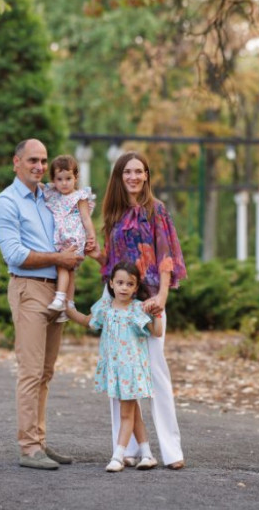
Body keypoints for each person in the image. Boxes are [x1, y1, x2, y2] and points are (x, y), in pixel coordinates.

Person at [87, 150, 188, 470]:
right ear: (119, 176)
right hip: (117, 303)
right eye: (127, 172)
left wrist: (162, 297)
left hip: (148, 300)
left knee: (156, 372)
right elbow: (112, 264)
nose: (133, 177)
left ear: (146, 176)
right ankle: (126, 448)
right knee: (119, 374)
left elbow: (166, 257)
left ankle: (171, 450)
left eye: (138, 171)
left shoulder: (156, 210)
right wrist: (96, 256)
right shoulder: (113, 214)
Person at [0, 139, 82, 470]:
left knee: (46, 371)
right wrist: (59, 258)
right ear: (16, 162)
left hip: (58, 289)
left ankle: (39, 441)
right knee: (30, 371)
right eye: (32, 160)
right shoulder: (6, 202)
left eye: (43, 160)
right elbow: (14, 254)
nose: (40, 166)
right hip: (29, 289)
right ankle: (28, 448)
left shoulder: (51, 196)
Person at [64, 261, 162, 472]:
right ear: (111, 283)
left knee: (126, 414)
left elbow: (157, 332)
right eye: (120, 283)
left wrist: (158, 313)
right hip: (115, 369)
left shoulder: (138, 308)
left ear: (136, 287)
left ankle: (118, 456)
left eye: (130, 284)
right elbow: (88, 321)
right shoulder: (105, 307)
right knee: (132, 411)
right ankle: (147, 454)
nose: (124, 287)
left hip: (132, 370)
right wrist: (68, 309)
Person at [44, 154, 97, 322]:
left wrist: (92, 236)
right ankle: (69, 305)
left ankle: (60, 298)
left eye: (68, 178)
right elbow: (40, 186)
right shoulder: (54, 195)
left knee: (62, 265)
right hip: (61, 237)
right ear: (53, 180)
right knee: (70, 271)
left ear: (76, 178)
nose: (64, 183)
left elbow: (86, 218)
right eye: (59, 179)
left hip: (74, 238)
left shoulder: (79, 196)